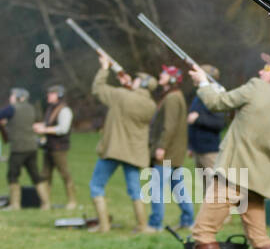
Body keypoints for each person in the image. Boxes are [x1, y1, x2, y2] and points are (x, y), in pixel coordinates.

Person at [187, 55, 270, 249]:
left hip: (234, 173)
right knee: (258, 235)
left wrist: (203, 84)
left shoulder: (256, 88)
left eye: (267, 68)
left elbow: (217, 103)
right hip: (259, 178)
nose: (261, 70)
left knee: (203, 231)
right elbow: (244, 109)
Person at [88, 53, 157, 232]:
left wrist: (104, 68)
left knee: (96, 185)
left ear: (140, 84)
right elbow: (130, 99)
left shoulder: (121, 96)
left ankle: (104, 226)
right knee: (135, 190)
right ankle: (142, 225)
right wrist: (127, 86)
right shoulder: (150, 105)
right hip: (133, 152)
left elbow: (98, 89)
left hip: (113, 149)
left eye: (135, 80)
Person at [145, 65, 193, 232]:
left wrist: (161, 147)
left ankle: (155, 223)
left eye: (164, 73)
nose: (161, 74)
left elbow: (169, 125)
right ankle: (188, 219)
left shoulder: (172, 98)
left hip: (167, 152)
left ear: (172, 79)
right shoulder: (173, 96)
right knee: (177, 187)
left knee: (156, 187)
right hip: (173, 152)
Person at [0, 88, 47, 209]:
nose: (10, 98)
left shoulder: (12, 108)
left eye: (13, 96)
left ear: (19, 97)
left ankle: (15, 204)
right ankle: (46, 203)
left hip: (18, 148)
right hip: (32, 147)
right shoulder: (31, 108)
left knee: (12, 175)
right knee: (35, 175)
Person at [33, 84, 77, 210]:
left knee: (64, 174)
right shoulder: (51, 109)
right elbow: (49, 124)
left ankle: (72, 201)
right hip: (49, 147)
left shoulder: (64, 110)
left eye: (51, 94)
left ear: (58, 95)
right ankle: (45, 202)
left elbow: (63, 129)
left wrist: (44, 129)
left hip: (59, 148)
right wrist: (40, 126)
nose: (48, 96)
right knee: (45, 175)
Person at [186, 66, 226, 172]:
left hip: (210, 152)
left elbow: (219, 123)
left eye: (196, 74)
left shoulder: (216, 95)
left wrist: (198, 119)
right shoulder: (200, 94)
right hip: (198, 150)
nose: (193, 76)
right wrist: (191, 146)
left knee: (215, 187)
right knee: (206, 188)